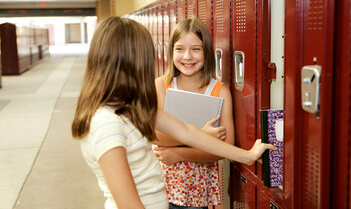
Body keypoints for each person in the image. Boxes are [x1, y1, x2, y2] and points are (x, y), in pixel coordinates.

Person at [71, 16, 276, 209]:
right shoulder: (106, 123)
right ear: (128, 63)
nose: (150, 63)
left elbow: (186, 131)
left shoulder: (131, 106)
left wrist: (247, 156)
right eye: (146, 56)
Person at [153, 18, 234, 209]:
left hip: (198, 193)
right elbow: (154, 137)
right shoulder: (161, 86)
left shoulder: (220, 91)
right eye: (179, 49)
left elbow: (226, 148)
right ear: (170, 51)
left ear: (207, 51)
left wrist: (178, 153)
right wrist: (203, 136)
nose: (187, 56)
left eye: (196, 49)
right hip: (160, 187)